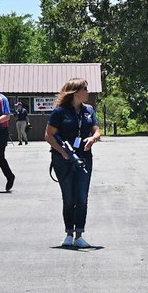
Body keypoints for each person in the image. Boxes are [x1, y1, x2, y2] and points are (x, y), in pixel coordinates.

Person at [45, 77, 102, 248]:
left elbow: (97, 131)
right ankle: (69, 233)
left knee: (82, 197)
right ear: (75, 92)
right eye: (85, 88)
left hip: (84, 158)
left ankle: (79, 235)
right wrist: (63, 152)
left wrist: (93, 138)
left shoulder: (89, 110)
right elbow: (49, 135)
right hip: (63, 160)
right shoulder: (60, 112)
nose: (88, 92)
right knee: (69, 197)